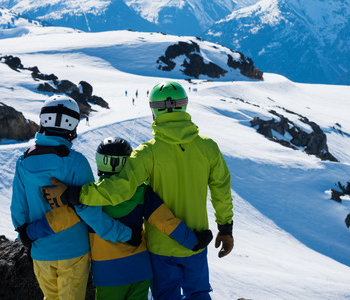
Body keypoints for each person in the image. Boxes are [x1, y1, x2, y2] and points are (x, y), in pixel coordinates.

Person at [41, 81, 234, 300]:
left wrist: (72, 194)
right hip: (197, 240)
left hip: (160, 246)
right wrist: (225, 228)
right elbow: (221, 189)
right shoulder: (208, 147)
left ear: (154, 110)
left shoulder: (147, 153)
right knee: (199, 294)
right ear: (184, 106)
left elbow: (118, 189)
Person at [26, 137, 213, 300]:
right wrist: (193, 241)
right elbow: (166, 221)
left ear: (100, 162)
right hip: (140, 269)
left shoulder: (90, 195)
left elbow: (62, 218)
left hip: (108, 275)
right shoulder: (142, 192)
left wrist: (29, 233)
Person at [10, 95, 135, 300]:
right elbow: (90, 210)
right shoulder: (76, 162)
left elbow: (18, 209)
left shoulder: (23, 162)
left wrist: (26, 235)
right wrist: (123, 235)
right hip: (74, 250)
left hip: (41, 250)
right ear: (73, 125)